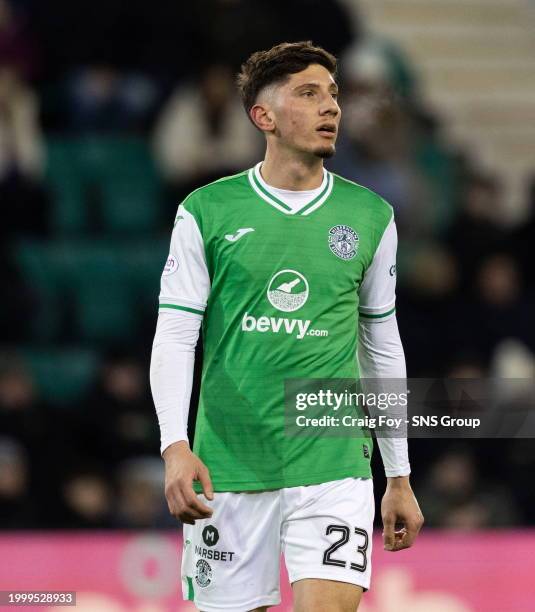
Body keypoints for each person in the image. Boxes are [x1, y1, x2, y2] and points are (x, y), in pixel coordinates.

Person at [150, 41, 423, 612]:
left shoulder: (371, 216)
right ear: (263, 116)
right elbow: (176, 336)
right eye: (308, 93)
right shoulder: (207, 211)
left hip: (333, 461)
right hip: (227, 463)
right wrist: (175, 446)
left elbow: (382, 344)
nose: (332, 107)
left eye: (333, 94)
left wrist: (397, 474)